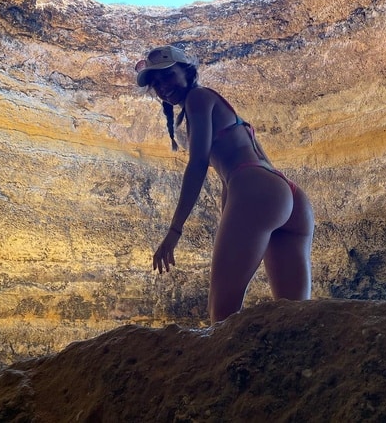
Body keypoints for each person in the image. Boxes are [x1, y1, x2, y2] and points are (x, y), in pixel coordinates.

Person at [135, 45, 315, 322]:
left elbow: (198, 164)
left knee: (222, 315)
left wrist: (174, 230)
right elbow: (238, 174)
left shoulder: (197, 98)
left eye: (167, 76)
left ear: (187, 71)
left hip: (255, 190)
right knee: (295, 316)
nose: (162, 87)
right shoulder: (219, 106)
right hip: (286, 195)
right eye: (155, 83)